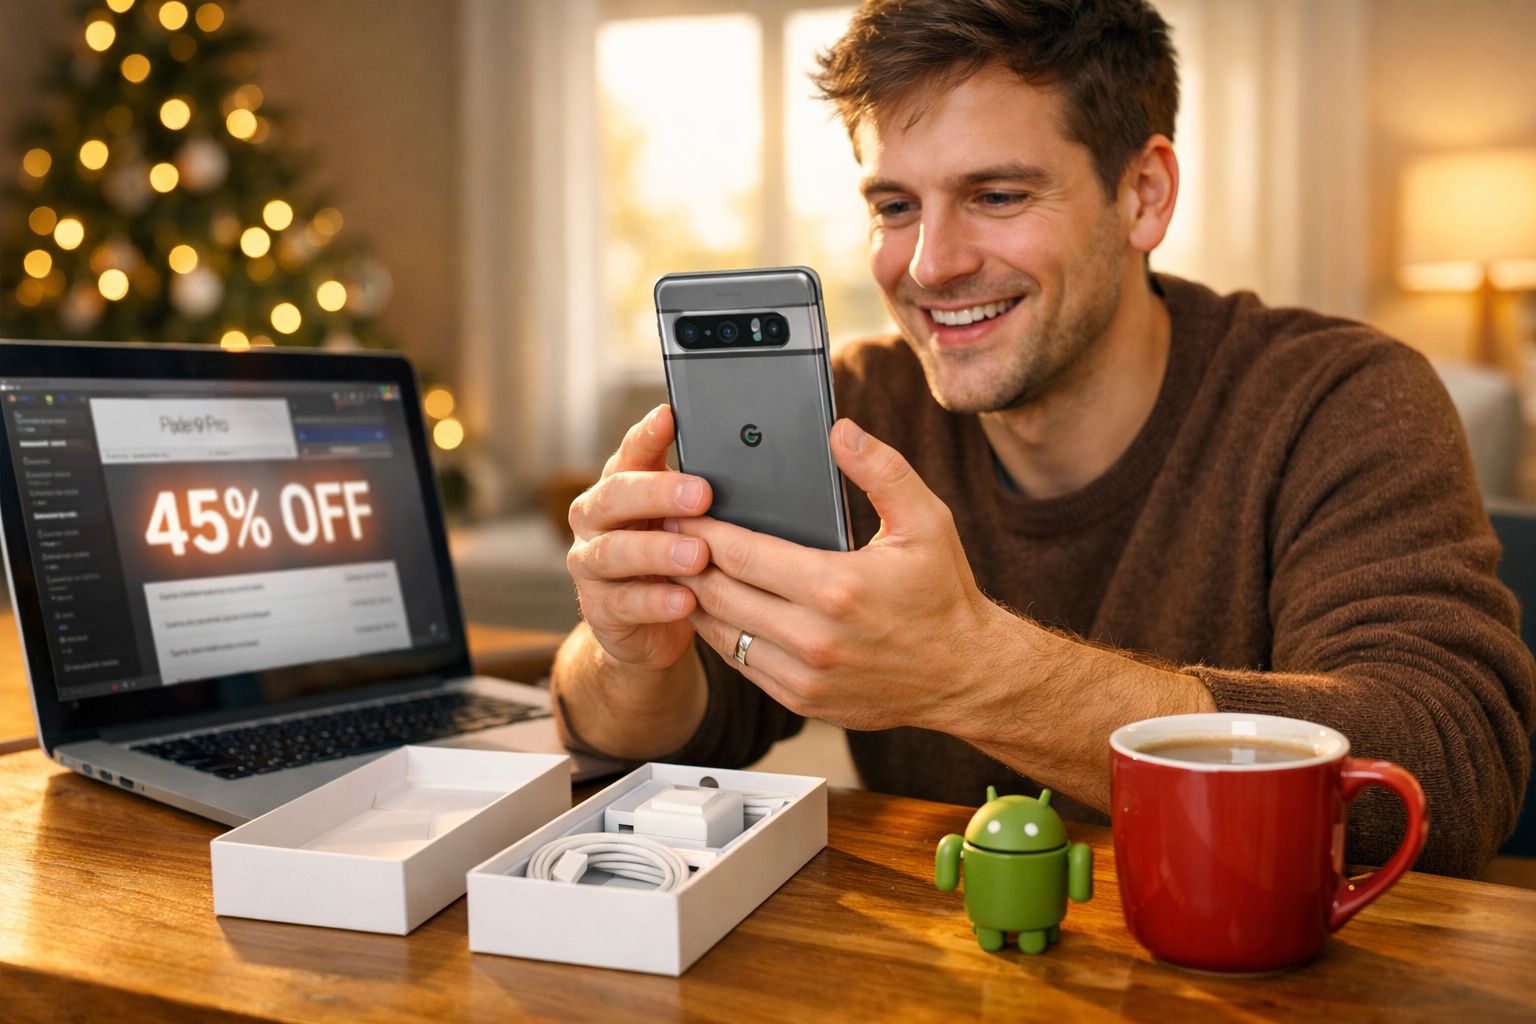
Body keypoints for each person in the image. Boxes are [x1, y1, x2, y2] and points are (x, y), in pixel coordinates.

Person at [550, 0, 1534, 878]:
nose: (931, 265)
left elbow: (1445, 771)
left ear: (1144, 195)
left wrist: (975, 671)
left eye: (998, 196)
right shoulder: (857, 405)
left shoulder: (1339, 398)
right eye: (896, 206)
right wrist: (630, 654)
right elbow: (676, 741)